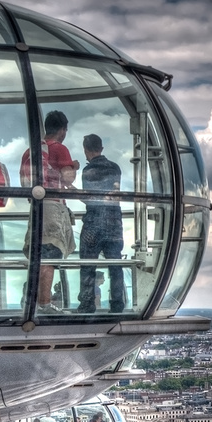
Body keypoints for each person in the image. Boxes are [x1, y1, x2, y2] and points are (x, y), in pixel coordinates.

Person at [20, 110, 77, 313]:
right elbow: (68, 178)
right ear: (62, 130)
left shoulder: (32, 151)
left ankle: (34, 302)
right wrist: (73, 166)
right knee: (50, 256)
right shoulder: (60, 149)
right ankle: (44, 304)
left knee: (39, 255)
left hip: (36, 209)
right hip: (52, 208)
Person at [76, 133, 125, 313]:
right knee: (116, 264)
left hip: (93, 223)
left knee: (87, 264)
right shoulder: (115, 168)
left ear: (85, 150)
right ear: (101, 148)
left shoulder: (88, 171)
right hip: (114, 224)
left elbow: (90, 199)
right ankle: (117, 303)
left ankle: (87, 304)